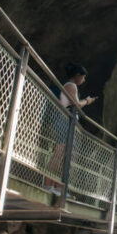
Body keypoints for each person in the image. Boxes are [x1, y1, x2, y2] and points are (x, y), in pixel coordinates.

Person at [44, 63, 97, 195]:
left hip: (67, 122)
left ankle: (58, 187)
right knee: (59, 153)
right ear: (78, 75)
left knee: (64, 157)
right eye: (83, 77)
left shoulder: (70, 85)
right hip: (64, 121)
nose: (83, 81)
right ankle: (48, 184)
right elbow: (76, 104)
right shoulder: (71, 85)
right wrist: (87, 101)